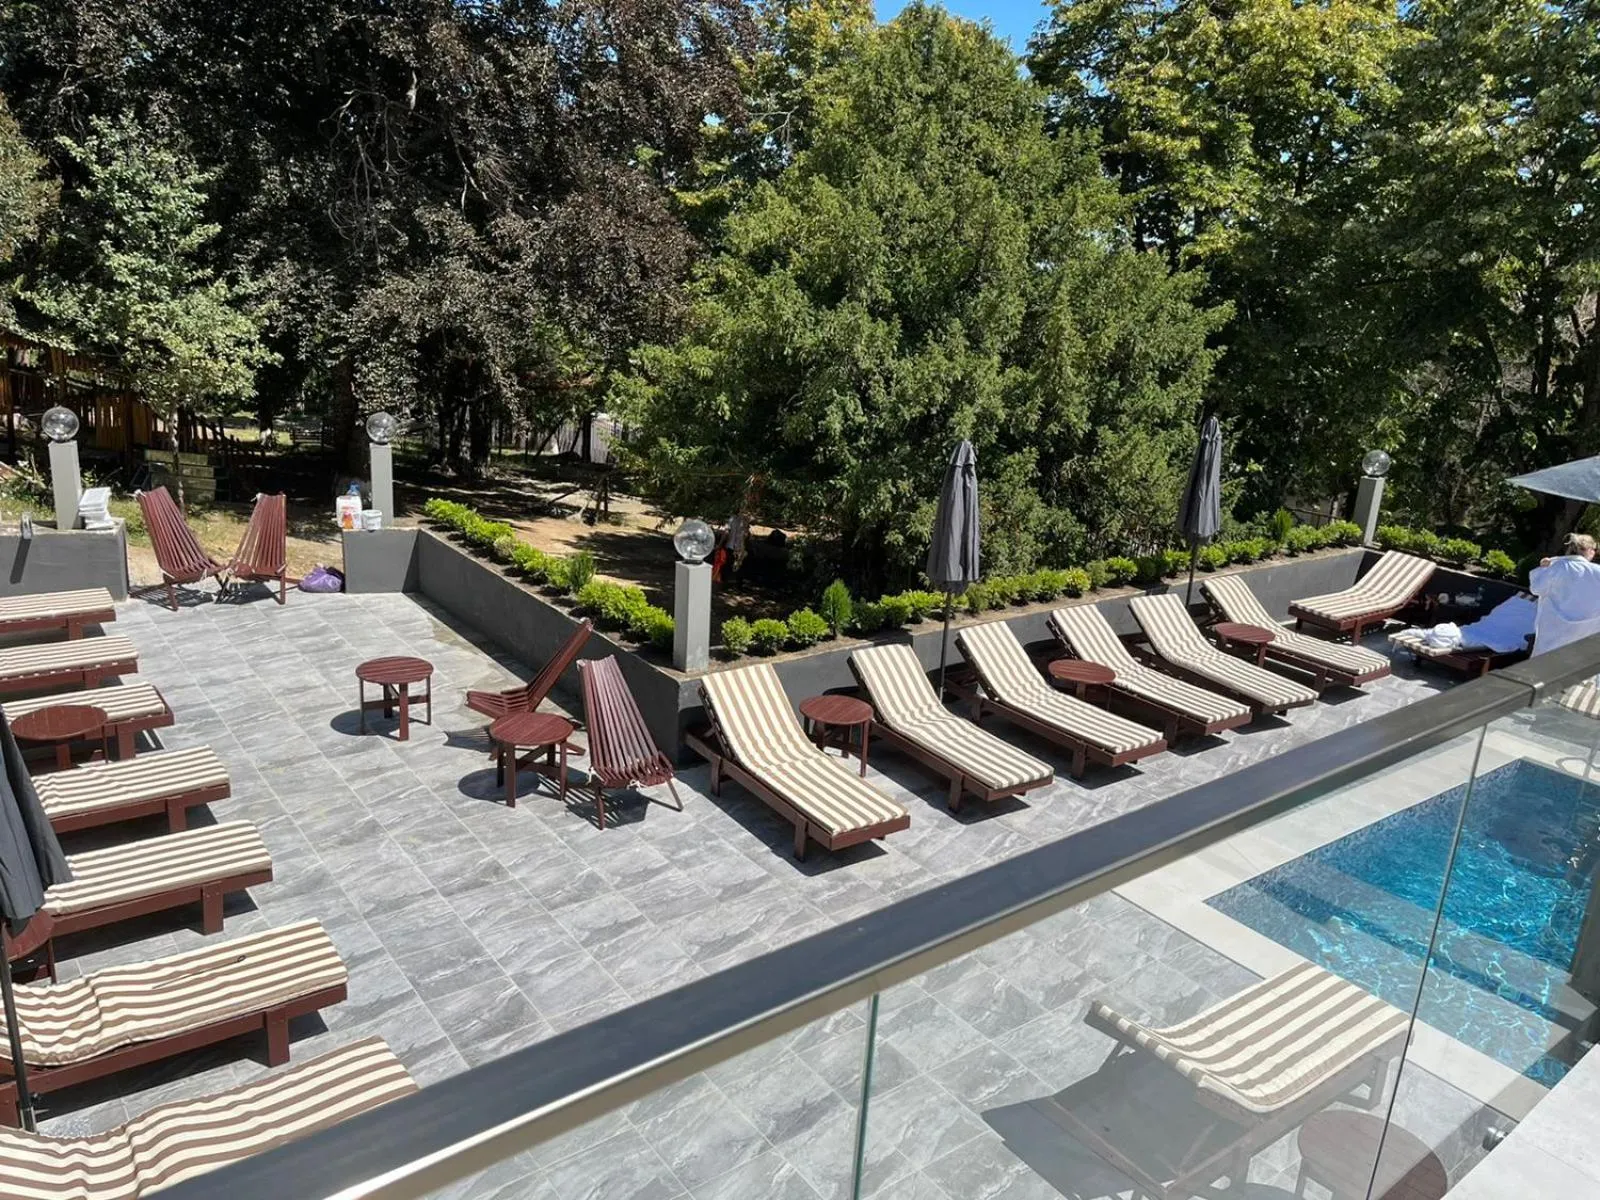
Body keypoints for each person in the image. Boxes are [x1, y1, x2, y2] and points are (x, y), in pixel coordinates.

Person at [1528, 534, 1600, 656]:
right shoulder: (1597, 571)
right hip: (1587, 633)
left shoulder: (1558, 567)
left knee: (1544, 667)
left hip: (1554, 632)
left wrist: (1543, 569)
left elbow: (1536, 588)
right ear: (1588, 549)